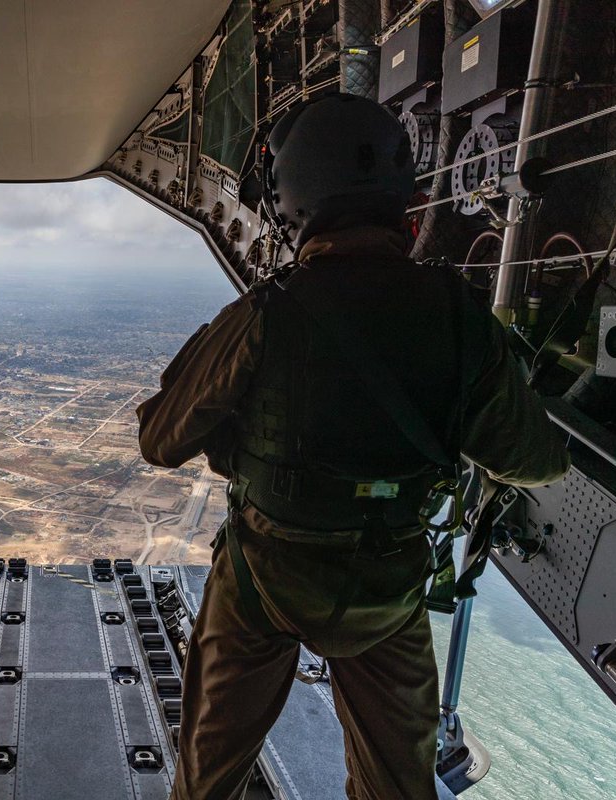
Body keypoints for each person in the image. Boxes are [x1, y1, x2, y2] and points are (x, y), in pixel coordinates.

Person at [136, 93, 570, 800]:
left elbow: (160, 440)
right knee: (398, 787)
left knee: (208, 778)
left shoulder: (263, 315)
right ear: (403, 201)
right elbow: (536, 461)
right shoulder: (462, 323)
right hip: (385, 589)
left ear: (295, 204)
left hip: (264, 582)